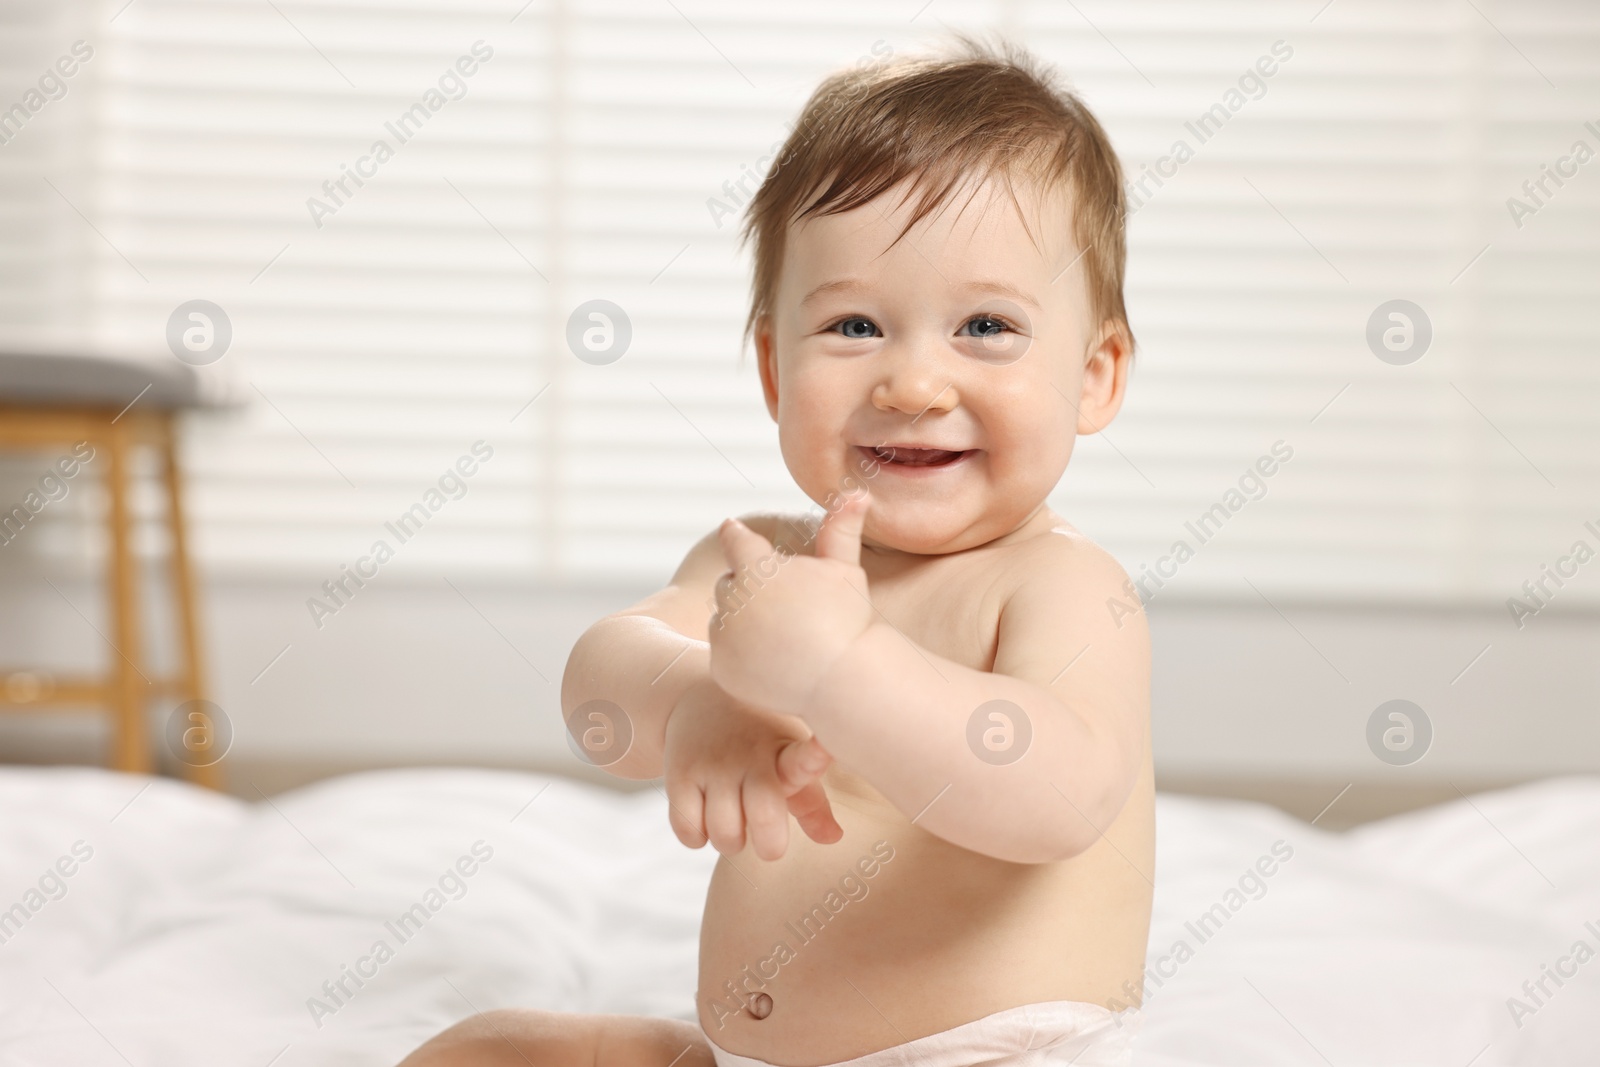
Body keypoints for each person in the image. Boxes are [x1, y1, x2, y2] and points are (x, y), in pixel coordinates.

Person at [402, 28, 1152, 1067]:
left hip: (992, 1051)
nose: (913, 383)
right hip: (752, 1054)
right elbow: (599, 692)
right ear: (770, 366)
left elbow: (1059, 797)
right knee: (487, 1048)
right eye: (852, 327)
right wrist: (700, 698)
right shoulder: (760, 564)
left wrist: (843, 668)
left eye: (984, 325)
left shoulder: (1058, 582)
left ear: (1094, 375)